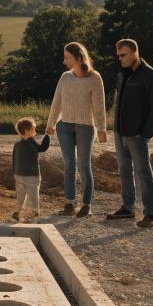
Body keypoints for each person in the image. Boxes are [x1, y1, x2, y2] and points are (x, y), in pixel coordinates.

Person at [107, 39, 153, 228]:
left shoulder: (151, 76)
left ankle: (150, 214)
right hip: (120, 132)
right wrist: (116, 128)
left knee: (143, 172)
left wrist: (145, 133)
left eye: (123, 55)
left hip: (137, 135)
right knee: (124, 170)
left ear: (135, 53)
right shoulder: (123, 74)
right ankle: (128, 207)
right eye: (118, 56)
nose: (120, 59)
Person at [46, 42, 107, 218]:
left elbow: (99, 106)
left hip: (86, 127)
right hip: (64, 126)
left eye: (68, 58)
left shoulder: (95, 78)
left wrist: (102, 129)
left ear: (79, 58)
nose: (64, 61)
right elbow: (56, 102)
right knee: (69, 165)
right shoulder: (65, 77)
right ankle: (69, 204)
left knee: (83, 165)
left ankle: (86, 204)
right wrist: (51, 124)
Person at [11, 117, 51, 222]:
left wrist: (14, 172)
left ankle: (19, 211)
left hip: (19, 175)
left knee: (20, 195)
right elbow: (43, 148)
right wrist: (47, 136)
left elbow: (13, 159)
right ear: (28, 131)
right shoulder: (31, 143)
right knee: (33, 194)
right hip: (32, 176)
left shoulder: (17, 144)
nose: (35, 132)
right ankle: (34, 211)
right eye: (34, 129)